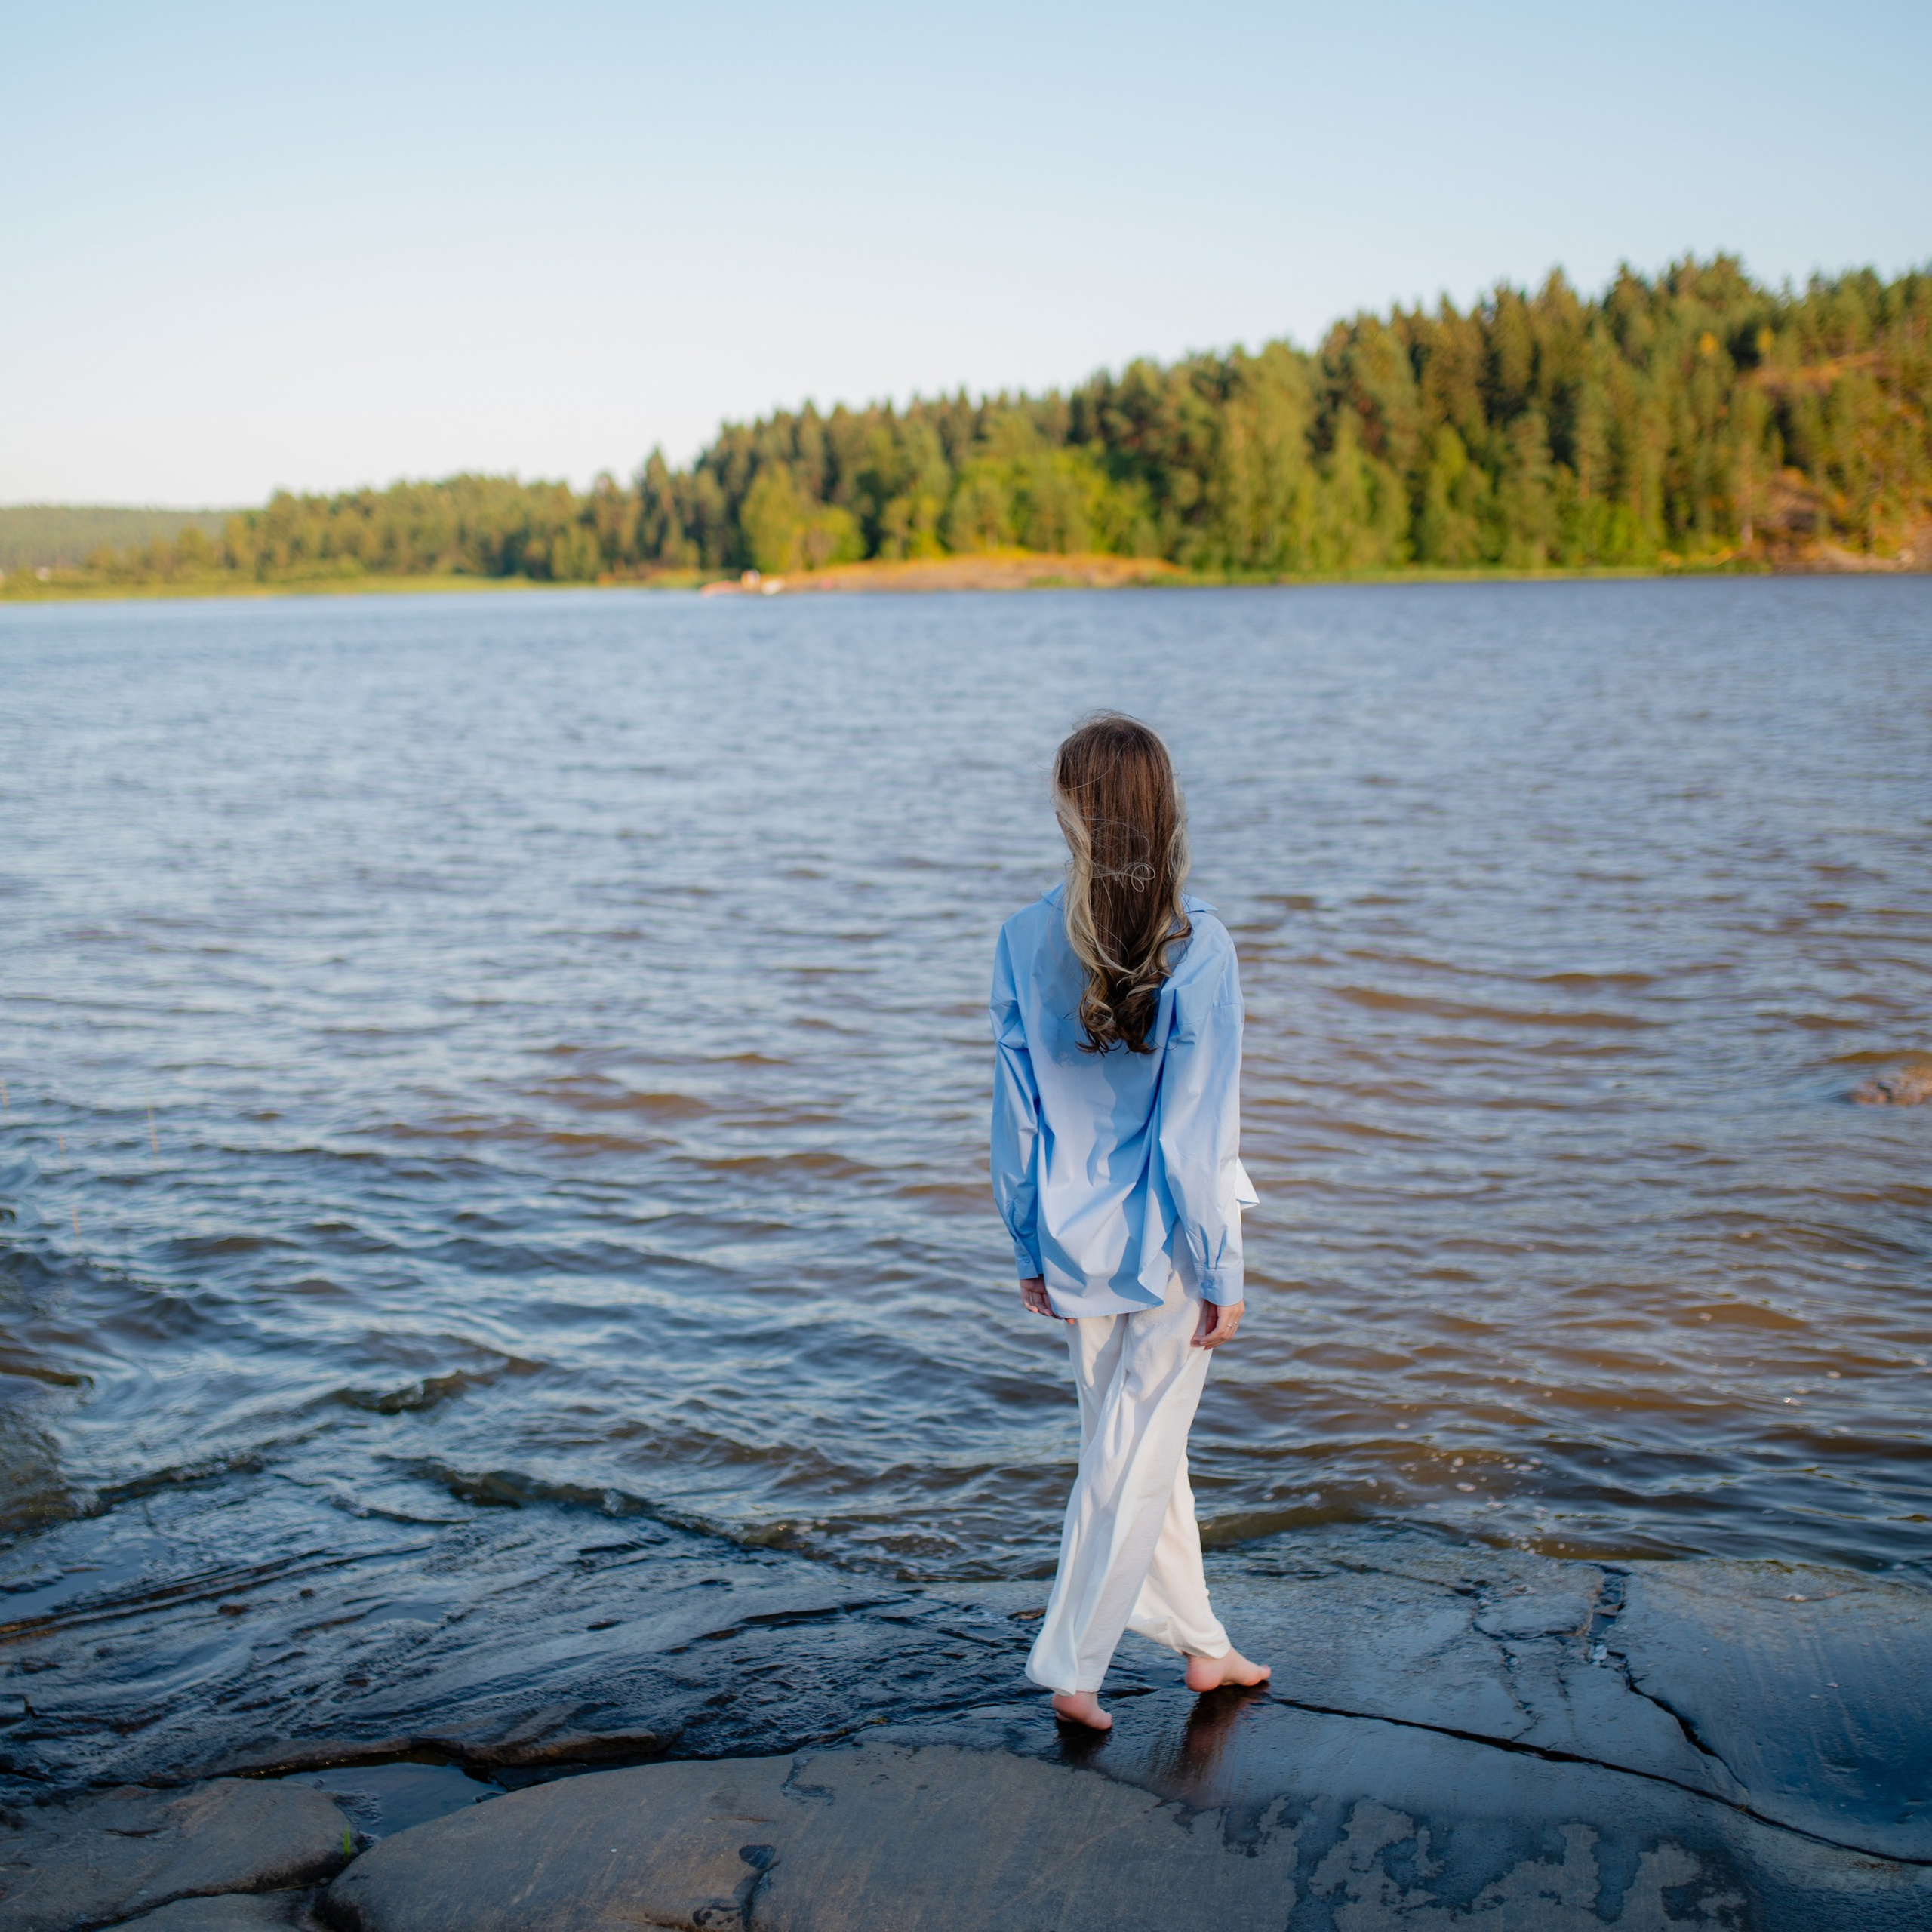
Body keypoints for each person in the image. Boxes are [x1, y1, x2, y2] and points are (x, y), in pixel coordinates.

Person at [990, 712, 1270, 1732]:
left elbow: (1014, 1118)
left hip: (1073, 1241)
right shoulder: (1202, 946)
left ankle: (1204, 1648)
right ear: (1163, 809)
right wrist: (1223, 1271)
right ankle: (1073, 1664)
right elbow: (1198, 1139)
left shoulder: (1024, 939)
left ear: (1074, 814)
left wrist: (1025, 1242)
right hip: (1167, 1250)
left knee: (1142, 1447)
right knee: (1134, 1454)